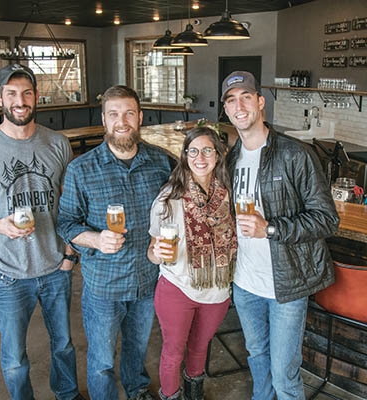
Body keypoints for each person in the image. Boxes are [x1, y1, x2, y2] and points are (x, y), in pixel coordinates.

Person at [0, 64, 84, 400]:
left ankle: (68, 394)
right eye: (12, 93)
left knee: (63, 344)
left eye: (27, 93)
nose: (21, 101)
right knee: (15, 359)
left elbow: (71, 205)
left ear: (36, 97)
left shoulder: (57, 143)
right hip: (8, 275)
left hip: (55, 268)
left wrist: (69, 255)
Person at [222, 70, 340, 400]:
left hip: (285, 286)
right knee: (258, 360)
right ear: (226, 110)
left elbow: (327, 220)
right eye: (231, 100)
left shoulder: (295, 154)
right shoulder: (231, 160)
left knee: (285, 375)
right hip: (245, 283)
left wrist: (270, 228)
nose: (239, 105)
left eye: (246, 96)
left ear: (260, 102)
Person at [57, 85, 175, 400]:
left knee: (138, 348)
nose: (122, 121)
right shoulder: (81, 169)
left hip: (148, 281)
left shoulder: (160, 163)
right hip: (103, 287)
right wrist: (95, 238)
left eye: (129, 113)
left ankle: (137, 389)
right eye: (114, 114)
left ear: (140, 117)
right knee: (101, 360)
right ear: (104, 120)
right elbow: (65, 223)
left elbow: (176, 211)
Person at [148, 127, 237, 400]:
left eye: (207, 150)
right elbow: (151, 252)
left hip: (217, 291)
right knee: (173, 352)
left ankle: (194, 394)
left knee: (200, 348)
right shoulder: (168, 198)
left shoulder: (230, 196)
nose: (200, 157)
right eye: (193, 150)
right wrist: (158, 254)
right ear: (185, 155)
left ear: (218, 155)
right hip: (177, 287)